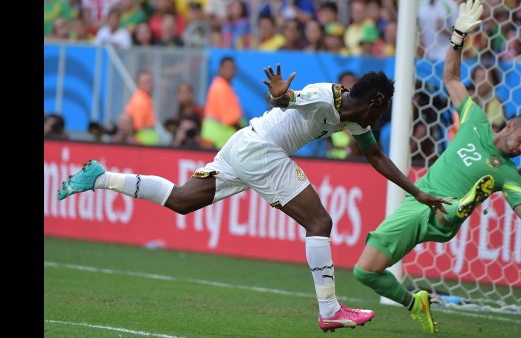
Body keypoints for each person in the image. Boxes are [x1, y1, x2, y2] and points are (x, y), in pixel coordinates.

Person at [56, 63, 450, 332]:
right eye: (380, 115)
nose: (376, 124)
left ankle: (100, 178)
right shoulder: (325, 95)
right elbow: (287, 100)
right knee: (320, 222)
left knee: (181, 200)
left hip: (244, 144)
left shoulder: (351, 115)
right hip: (262, 149)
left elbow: (375, 157)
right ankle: (330, 310)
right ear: (376, 103)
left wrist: (417, 192)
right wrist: (281, 93)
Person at [352, 0, 521, 335]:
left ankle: (463, 205)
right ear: (509, 125)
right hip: (417, 200)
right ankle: (415, 303)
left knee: (449, 208)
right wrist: (457, 35)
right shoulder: (475, 120)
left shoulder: (507, 173)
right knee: (364, 272)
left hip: (442, 213)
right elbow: (451, 77)